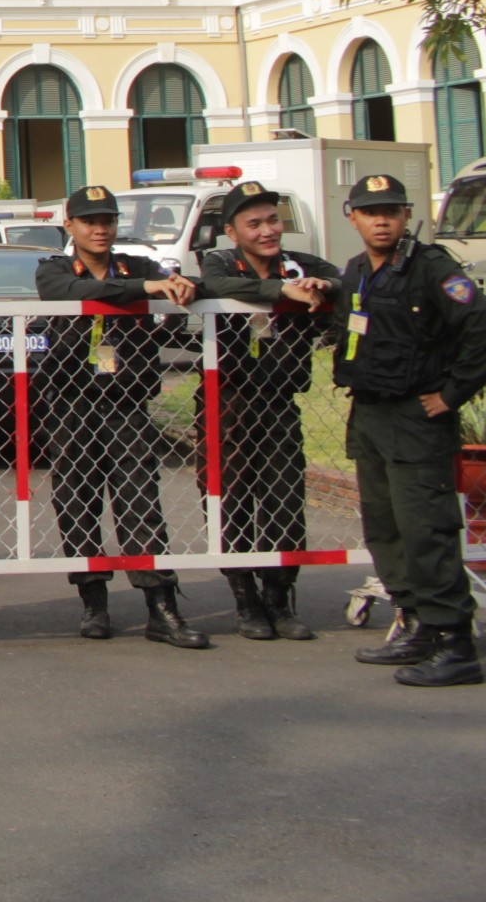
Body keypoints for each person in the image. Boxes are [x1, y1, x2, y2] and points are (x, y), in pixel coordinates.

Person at [330, 170, 486, 687]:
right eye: (370, 212)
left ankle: (456, 643)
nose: (381, 220)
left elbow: (484, 331)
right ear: (353, 217)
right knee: (385, 530)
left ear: (406, 215)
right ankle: (418, 625)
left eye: (391, 211)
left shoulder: (432, 268)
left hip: (415, 418)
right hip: (372, 414)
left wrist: (451, 394)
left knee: (426, 529)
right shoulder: (358, 270)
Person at [34, 184, 208, 651]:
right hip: (72, 404)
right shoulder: (53, 268)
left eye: (107, 220)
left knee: (141, 505)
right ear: (69, 226)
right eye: (89, 220)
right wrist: (143, 288)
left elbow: (178, 281)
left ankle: (162, 608)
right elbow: (71, 292)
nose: (100, 229)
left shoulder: (140, 265)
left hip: (126, 405)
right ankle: (94, 603)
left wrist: (180, 284)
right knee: (76, 505)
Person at [193, 179, 338, 641]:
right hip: (227, 400)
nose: (267, 231)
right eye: (253, 223)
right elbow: (216, 284)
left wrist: (321, 285)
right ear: (232, 232)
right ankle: (246, 599)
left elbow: (343, 279)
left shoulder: (301, 264)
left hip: (279, 401)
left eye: (272, 220)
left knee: (284, 503)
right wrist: (282, 292)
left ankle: (280, 599)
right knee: (230, 498)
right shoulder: (219, 260)